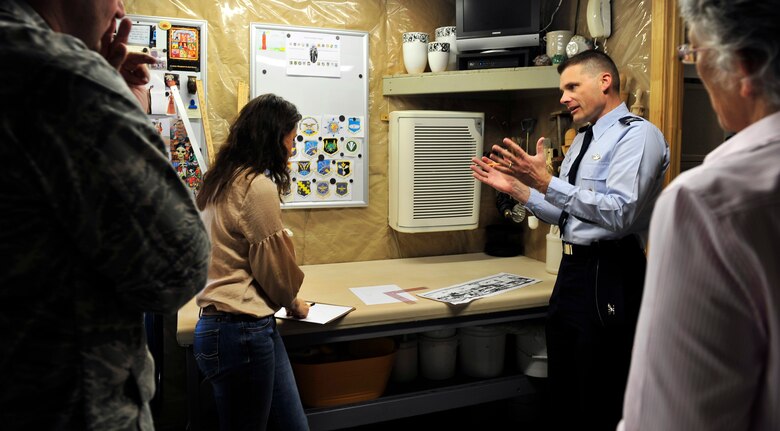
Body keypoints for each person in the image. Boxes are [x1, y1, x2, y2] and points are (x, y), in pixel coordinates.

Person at [0, 1, 210, 430]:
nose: (119, 9)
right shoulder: (60, 72)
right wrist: (114, 95)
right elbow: (178, 268)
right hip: (64, 407)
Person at [471, 50, 669, 429]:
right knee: (564, 384)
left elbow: (618, 212)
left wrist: (545, 181)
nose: (563, 97)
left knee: (601, 388)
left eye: (572, 86)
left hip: (610, 270)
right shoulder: (581, 140)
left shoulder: (637, 135)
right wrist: (519, 189)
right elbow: (568, 214)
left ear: (605, 82)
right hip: (574, 270)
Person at [619, 0, 780, 429]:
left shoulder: (705, 201)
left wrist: (544, 186)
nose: (564, 98)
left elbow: (669, 419)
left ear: (744, 68)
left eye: (694, 54)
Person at [193, 94, 311, 431]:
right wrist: (293, 301)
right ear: (273, 140)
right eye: (291, 140)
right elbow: (274, 267)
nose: (292, 149)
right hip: (241, 332)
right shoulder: (256, 187)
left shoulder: (220, 180)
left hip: (234, 327)